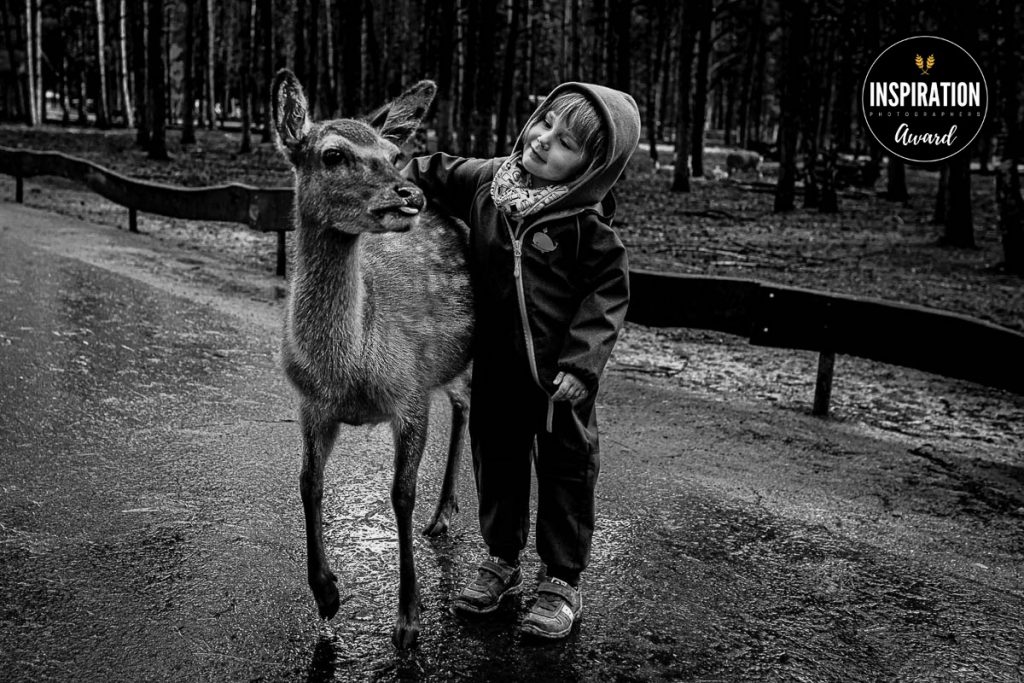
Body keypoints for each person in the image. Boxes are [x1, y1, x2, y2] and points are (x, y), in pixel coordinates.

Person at [402, 82, 640, 640]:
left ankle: (561, 580)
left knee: (566, 473)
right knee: (498, 462)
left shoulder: (586, 225)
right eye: (545, 123)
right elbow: (432, 170)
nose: (542, 141)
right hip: (498, 368)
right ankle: (501, 559)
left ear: (592, 167)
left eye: (565, 144)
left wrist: (583, 365)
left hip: (560, 382)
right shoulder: (489, 183)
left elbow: (607, 293)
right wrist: (395, 176)